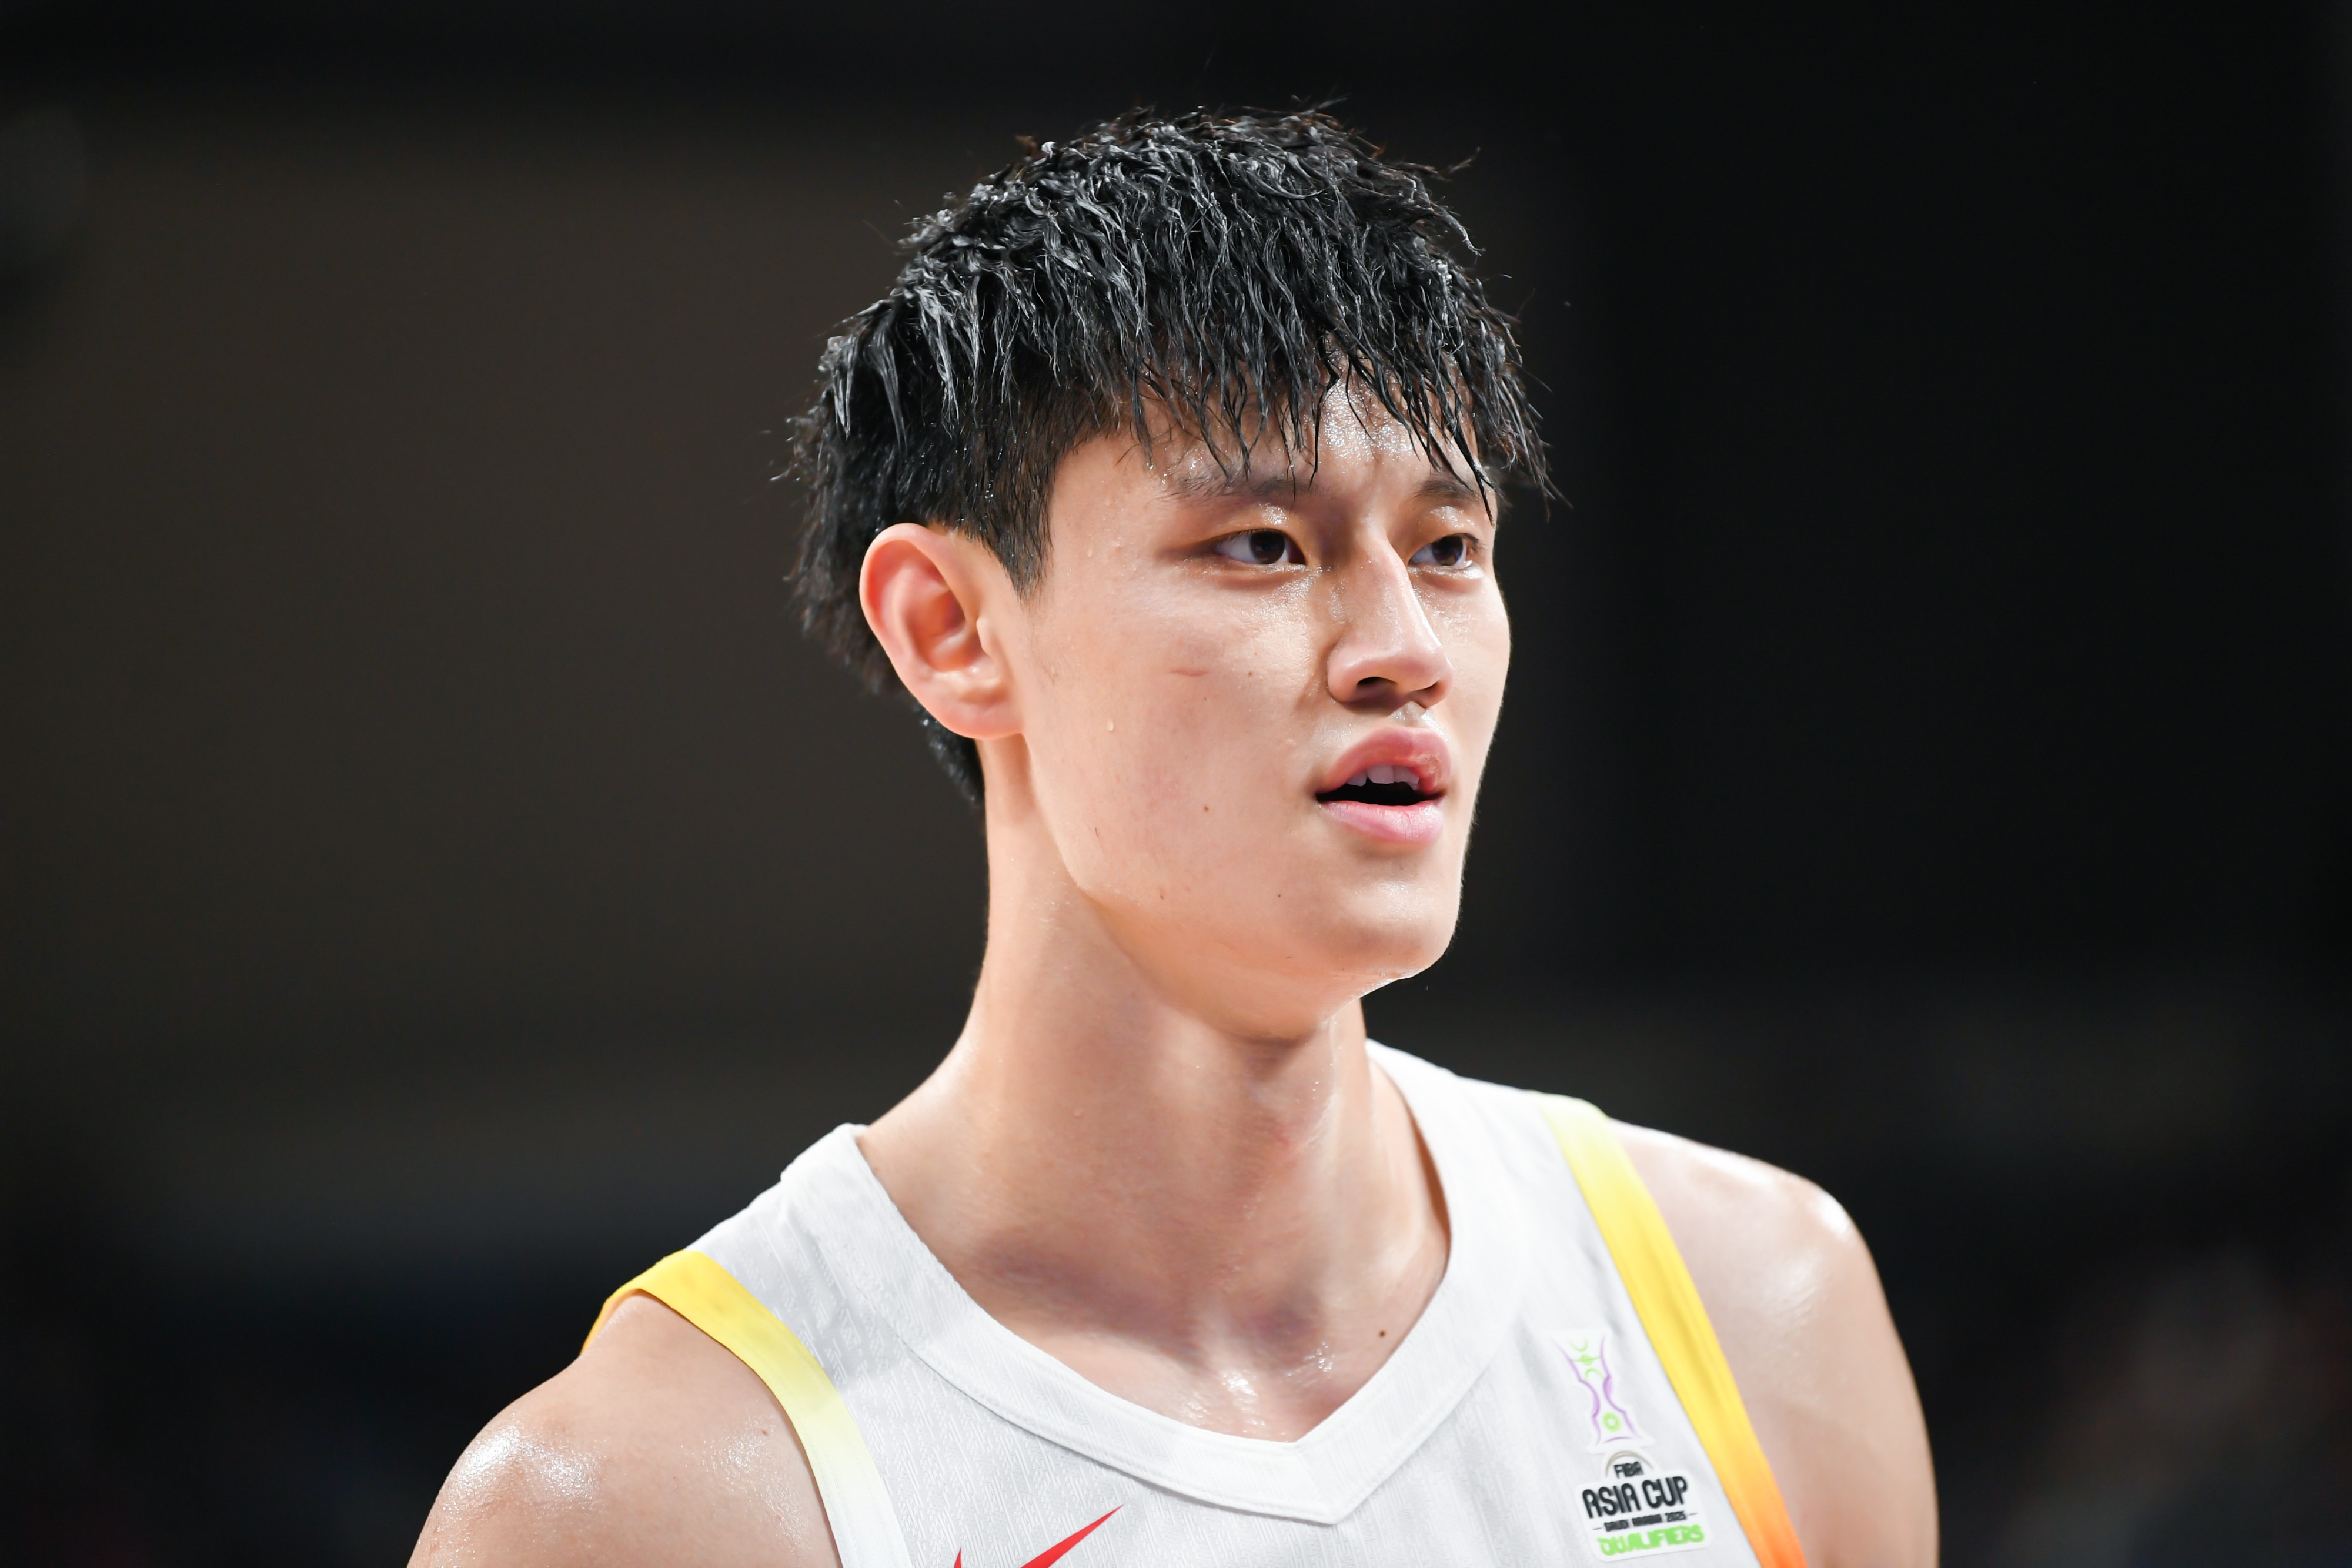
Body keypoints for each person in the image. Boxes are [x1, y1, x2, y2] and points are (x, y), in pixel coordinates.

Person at [409, 108, 1936, 1568]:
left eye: (1448, 546)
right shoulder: (649, 1498)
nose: (1403, 649)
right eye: (1262, 545)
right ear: (952, 629)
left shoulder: (1759, 1309)